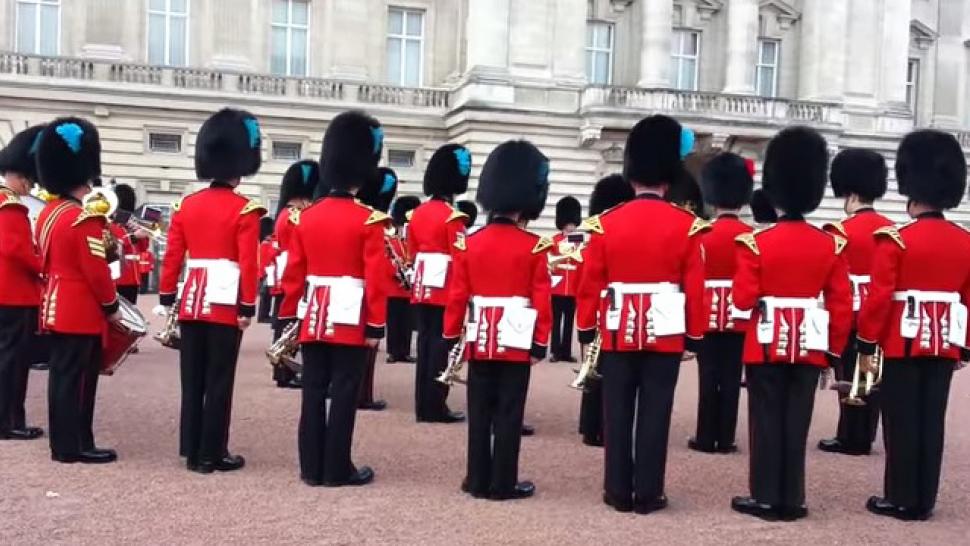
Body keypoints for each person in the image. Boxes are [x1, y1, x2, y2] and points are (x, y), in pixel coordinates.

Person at [576, 115, 707, 515]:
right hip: (665, 332)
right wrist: (694, 337)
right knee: (656, 411)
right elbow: (695, 289)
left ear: (631, 176)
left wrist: (586, 330)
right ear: (668, 177)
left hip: (617, 331)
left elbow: (589, 283)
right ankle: (649, 493)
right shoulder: (687, 226)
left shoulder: (604, 224)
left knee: (616, 411)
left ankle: (617, 490)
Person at [729, 126, 852, 522]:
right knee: (797, 422)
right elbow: (841, 302)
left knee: (765, 420)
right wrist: (833, 350)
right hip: (811, 344)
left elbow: (743, 299)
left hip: (765, 342)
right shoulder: (829, 243)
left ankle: (765, 497)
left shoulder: (756, 243)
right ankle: (793, 499)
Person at [857, 130, 970, 521]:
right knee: (931, 420)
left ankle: (901, 498)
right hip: (943, 344)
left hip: (901, 342)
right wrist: (964, 346)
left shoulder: (896, 239)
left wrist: (867, 340)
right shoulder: (964, 241)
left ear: (911, 190)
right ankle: (925, 498)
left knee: (901, 420)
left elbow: (879, 298)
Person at [278, 110, 389, 487]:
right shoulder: (369, 220)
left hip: (313, 312)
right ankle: (337, 467)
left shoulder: (304, 218)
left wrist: (291, 316)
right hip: (349, 316)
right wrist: (376, 324)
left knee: (312, 389)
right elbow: (377, 278)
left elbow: (294, 274)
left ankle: (311, 467)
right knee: (343, 391)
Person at [443, 139, 552, 501]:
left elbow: (457, 295)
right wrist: (540, 341)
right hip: (517, 340)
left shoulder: (468, 244)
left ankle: (477, 478)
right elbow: (541, 300)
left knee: (479, 410)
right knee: (508, 411)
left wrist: (450, 334)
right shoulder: (534, 246)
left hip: (480, 336)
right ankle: (503, 482)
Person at [159, 108, 265, 474]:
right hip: (224, 303)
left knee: (193, 379)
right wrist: (247, 306)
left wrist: (166, 297)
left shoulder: (186, 205)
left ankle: (191, 449)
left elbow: (172, 256)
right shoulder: (245, 210)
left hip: (191, 301)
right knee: (219, 381)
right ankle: (212, 453)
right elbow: (248, 263)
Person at [34, 117, 122, 463]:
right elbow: (96, 272)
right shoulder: (81, 218)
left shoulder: (49, 214)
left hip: (55, 302)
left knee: (61, 378)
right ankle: (77, 444)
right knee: (80, 381)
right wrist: (111, 305)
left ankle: (63, 444)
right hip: (81, 308)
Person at [817, 149, 893, 457]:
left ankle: (849, 435)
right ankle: (865, 434)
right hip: (880, 310)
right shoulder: (892, 229)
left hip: (850, 309)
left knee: (847, 372)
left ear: (849, 193)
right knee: (872, 372)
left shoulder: (840, 232)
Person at [688, 153, 755, 454]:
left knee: (708, 378)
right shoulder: (751, 236)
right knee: (731, 378)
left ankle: (705, 436)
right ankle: (725, 438)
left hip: (706, 312)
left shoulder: (702, 235)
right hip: (740, 315)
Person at [408, 143, 472, 424]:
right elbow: (460, 259)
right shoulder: (453, 216)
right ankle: (436, 405)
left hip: (422, 286)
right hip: (445, 287)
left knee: (424, 345)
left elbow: (411, 252)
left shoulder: (418, 213)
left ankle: (422, 404)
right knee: (442, 347)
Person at [577, 174, 634, 448]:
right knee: (603, 369)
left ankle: (590, 426)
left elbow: (588, 282)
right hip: (615, 306)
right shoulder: (613, 232)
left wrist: (585, 325)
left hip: (603, 304)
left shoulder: (599, 234)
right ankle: (599, 425)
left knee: (596, 366)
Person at [0, 124, 45, 441]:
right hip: (14, 295)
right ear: (23, 176)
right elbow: (17, 250)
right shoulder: (11, 205)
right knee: (13, 363)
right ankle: (9, 422)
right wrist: (46, 265)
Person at [270, 160, 319, 389]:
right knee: (289, 320)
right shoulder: (295, 215)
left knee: (287, 319)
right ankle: (283, 370)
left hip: (289, 267)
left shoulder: (286, 213)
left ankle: (283, 370)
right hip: (295, 270)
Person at [354, 166, 400, 411]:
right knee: (366, 349)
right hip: (363, 294)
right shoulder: (373, 223)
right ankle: (363, 394)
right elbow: (376, 270)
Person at [386, 195, 420, 363]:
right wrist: (395, 272)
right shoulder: (391, 239)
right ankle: (393, 351)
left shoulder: (411, 240)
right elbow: (387, 259)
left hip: (408, 287)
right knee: (393, 321)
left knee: (406, 322)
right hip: (394, 285)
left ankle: (404, 351)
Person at [549, 196, 582, 363]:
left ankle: (566, 352)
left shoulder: (578, 241)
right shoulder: (554, 240)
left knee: (569, 322)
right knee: (556, 321)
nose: (571, 227)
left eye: (573, 224)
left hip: (573, 286)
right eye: (569, 224)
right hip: (558, 285)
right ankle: (555, 351)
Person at [109, 183, 150, 305]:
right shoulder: (109, 223)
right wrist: (133, 237)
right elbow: (114, 244)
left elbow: (143, 248)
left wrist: (142, 234)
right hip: (119, 277)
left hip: (133, 276)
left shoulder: (130, 223)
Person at [257, 216, 276, 324]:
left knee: (267, 295)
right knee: (265, 296)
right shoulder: (265, 244)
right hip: (266, 273)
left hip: (267, 272)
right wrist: (263, 274)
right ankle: (262, 316)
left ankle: (265, 314)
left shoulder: (266, 243)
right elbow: (264, 260)